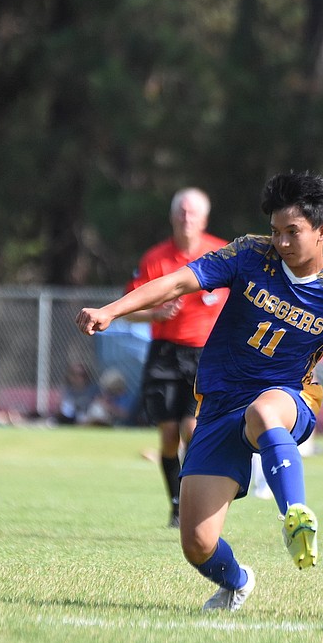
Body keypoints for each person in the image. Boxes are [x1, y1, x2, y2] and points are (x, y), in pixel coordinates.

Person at [77, 171, 323, 612]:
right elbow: (179, 282)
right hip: (220, 405)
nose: (280, 242)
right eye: (276, 231)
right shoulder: (249, 253)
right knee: (197, 542)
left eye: (292, 233)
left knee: (264, 411)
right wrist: (113, 311)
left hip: (287, 400)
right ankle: (237, 581)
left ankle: (295, 515)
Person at [125, 188, 229, 527]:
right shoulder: (156, 258)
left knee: (192, 429)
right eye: (181, 212)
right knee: (168, 434)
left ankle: (191, 504)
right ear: (173, 217)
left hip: (205, 354)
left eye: (193, 213)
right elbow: (130, 308)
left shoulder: (220, 252)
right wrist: (155, 313)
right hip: (165, 353)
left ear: (204, 219)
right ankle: (175, 504)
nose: (187, 218)